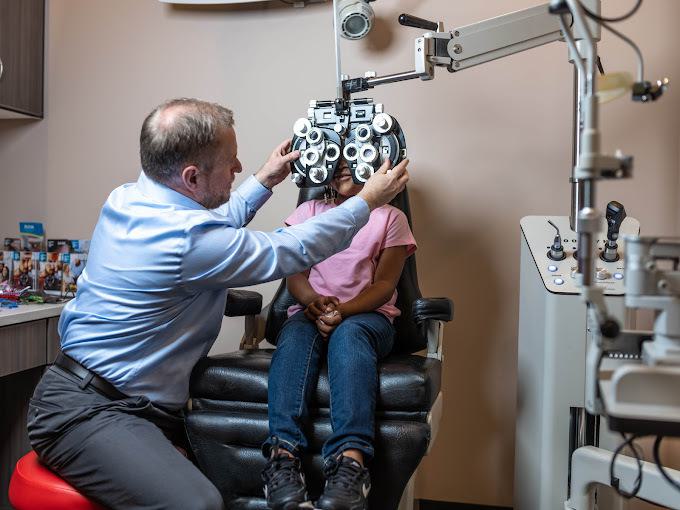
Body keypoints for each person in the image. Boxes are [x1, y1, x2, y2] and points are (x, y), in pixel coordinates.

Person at [27, 98, 409, 510]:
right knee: (199, 504)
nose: (239, 167)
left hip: (115, 399)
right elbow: (291, 249)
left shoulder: (129, 198)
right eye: (231, 160)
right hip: (89, 410)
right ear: (192, 177)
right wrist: (366, 202)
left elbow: (210, 227)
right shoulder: (186, 241)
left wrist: (265, 179)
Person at [261, 157, 417, 510]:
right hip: (312, 311)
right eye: (336, 157)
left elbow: (384, 285)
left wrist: (342, 311)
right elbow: (295, 272)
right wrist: (314, 302)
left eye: (354, 156)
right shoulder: (309, 211)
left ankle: (351, 464)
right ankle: (283, 460)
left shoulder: (391, 218)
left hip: (367, 317)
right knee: (295, 335)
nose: (344, 166)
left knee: (349, 335)